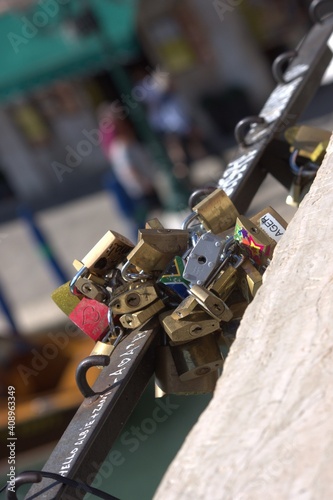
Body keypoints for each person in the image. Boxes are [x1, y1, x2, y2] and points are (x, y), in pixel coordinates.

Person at [98, 105, 160, 228]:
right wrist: (143, 183)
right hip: (139, 189)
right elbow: (128, 169)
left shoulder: (126, 143)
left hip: (141, 186)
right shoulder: (120, 146)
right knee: (144, 222)